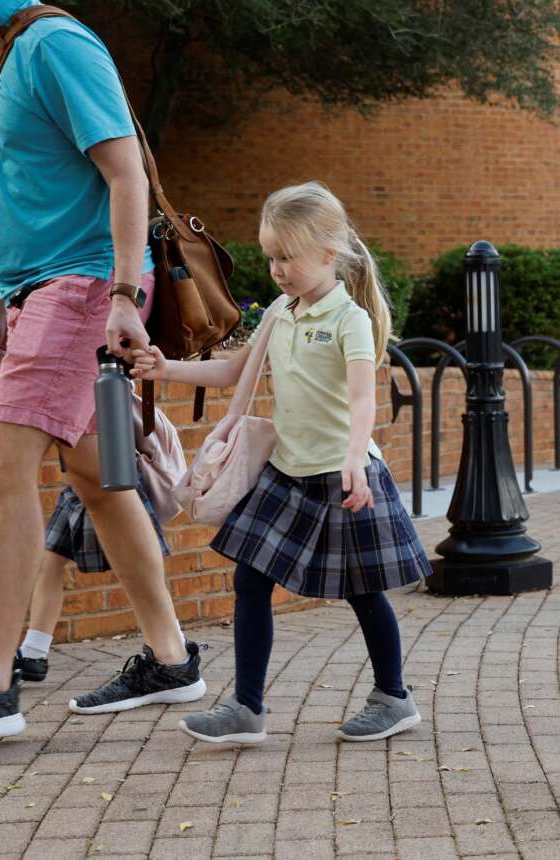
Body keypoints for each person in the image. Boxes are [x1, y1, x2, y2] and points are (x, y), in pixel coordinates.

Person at [0, 0, 203, 740]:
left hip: (85, 284)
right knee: (97, 477)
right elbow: (1, 192)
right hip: (36, 291)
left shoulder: (58, 44)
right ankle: (171, 659)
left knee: (0, 465)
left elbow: (126, 172)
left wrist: (125, 295)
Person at [130, 181, 430, 745]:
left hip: (343, 474)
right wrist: (165, 369)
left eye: (286, 257)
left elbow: (365, 398)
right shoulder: (280, 312)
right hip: (288, 473)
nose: (276, 268)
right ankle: (247, 708)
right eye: (270, 256)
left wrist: (352, 460)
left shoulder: (351, 321)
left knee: (364, 590)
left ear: (327, 252)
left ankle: (393, 697)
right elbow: (232, 373)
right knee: (249, 580)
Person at [15, 479, 173, 683]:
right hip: (80, 482)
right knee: (48, 561)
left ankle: (173, 643)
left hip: (116, 479)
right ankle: (33, 652)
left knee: (141, 568)